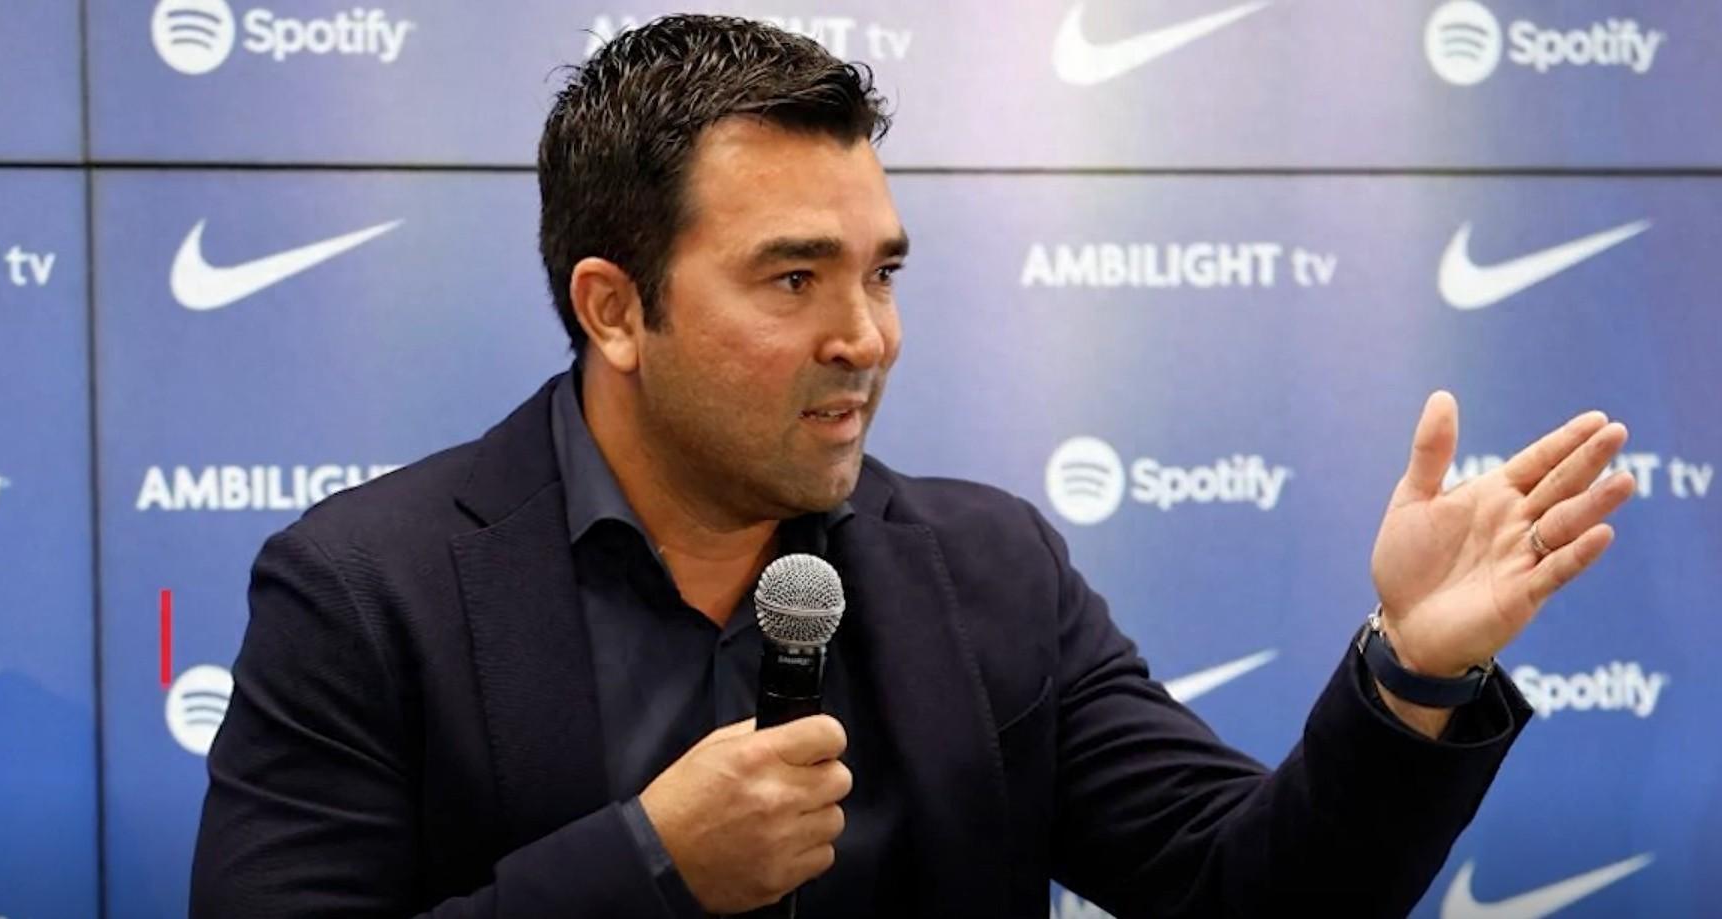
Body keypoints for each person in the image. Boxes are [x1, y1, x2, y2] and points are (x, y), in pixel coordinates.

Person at [188, 14, 1637, 918]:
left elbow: (1243, 890)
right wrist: (647, 869)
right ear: (615, 310)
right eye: (794, 280)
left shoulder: (990, 570)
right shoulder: (368, 588)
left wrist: (1413, 671)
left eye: (882, 272)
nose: (867, 337)